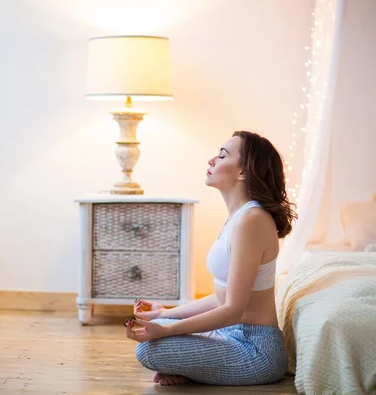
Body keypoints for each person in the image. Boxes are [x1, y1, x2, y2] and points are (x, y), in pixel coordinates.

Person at [125, 131, 297, 386]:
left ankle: (193, 369)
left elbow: (232, 310)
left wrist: (168, 329)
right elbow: (221, 296)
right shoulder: (238, 217)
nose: (211, 160)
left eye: (223, 155)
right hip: (232, 332)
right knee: (159, 324)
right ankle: (193, 368)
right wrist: (168, 313)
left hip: (257, 351)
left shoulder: (252, 220)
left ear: (243, 172)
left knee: (149, 349)